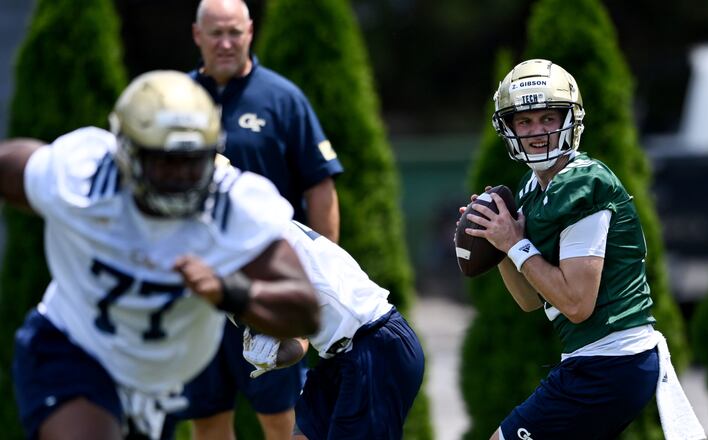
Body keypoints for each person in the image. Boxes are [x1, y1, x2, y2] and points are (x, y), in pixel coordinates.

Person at [1, 70, 320, 440]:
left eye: (193, 160)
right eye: (166, 161)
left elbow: (305, 310)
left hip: (160, 386)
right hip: (74, 348)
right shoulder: (83, 176)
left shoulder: (234, 204)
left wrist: (230, 291)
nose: (181, 175)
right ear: (127, 151)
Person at [461, 59, 705, 440]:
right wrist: (499, 245)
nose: (536, 131)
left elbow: (577, 304)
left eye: (547, 118)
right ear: (508, 129)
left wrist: (515, 243)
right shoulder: (532, 188)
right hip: (598, 361)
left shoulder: (583, 183)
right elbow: (529, 300)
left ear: (568, 121)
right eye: (524, 121)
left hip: (611, 360)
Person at [175, 0, 345, 439]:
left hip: (266, 288)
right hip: (197, 295)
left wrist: (316, 290)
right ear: (198, 36)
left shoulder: (283, 98)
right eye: (216, 34)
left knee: (285, 421)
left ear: (251, 31)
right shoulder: (175, 101)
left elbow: (320, 189)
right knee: (207, 419)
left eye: (235, 32)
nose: (226, 43)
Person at [242, 220, 424, 440]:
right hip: (342, 352)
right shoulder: (251, 223)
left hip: (374, 344)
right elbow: (301, 334)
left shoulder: (238, 236)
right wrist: (276, 355)